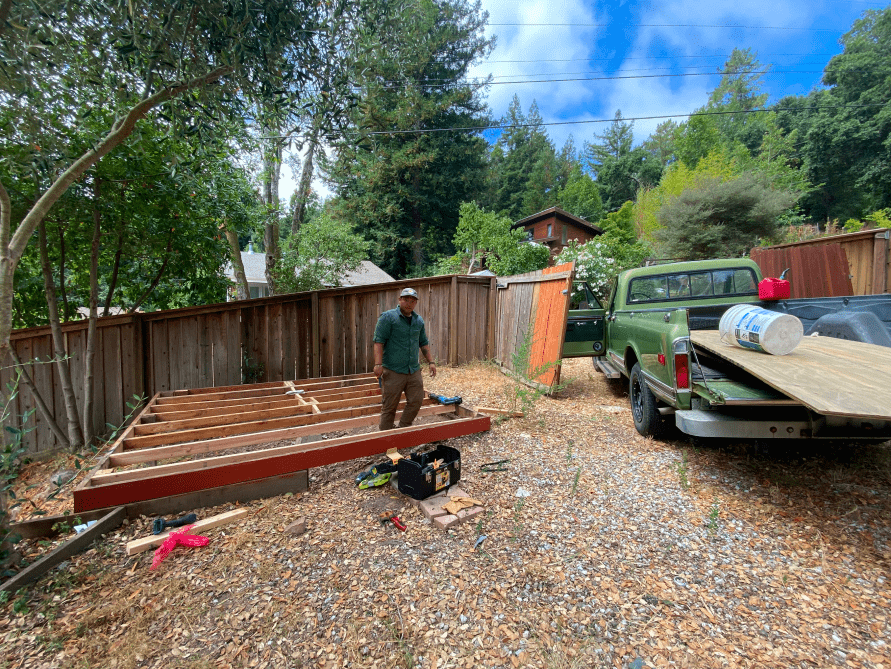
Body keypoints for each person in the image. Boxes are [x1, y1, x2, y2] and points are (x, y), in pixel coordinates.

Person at [373, 287, 437, 430]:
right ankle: (386, 436)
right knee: (389, 406)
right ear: (400, 300)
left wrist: (431, 362)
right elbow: (378, 342)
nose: (409, 303)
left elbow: (423, 343)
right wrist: (378, 364)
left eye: (412, 301)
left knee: (416, 401)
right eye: (406, 300)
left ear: (416, 303)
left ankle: (403, 428)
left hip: (413, 370)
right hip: (393, 371)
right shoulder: (388, 317)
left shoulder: (418, 320)